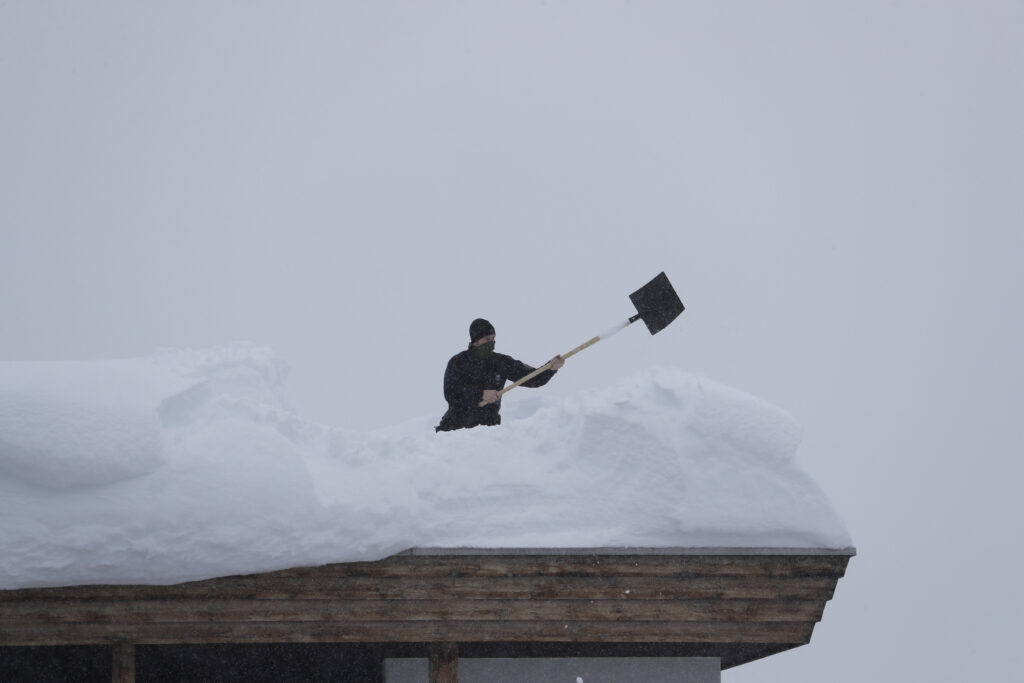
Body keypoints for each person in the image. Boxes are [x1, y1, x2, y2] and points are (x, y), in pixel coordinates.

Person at [435, 318, 565, 432]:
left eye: (493, 338)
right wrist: (481, 394)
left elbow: (533, 378)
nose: (491, 342)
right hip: (455, 430)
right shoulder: (458, 362)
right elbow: (451, 394)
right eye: (487, 339)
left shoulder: (501, 362)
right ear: (476, 341)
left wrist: (550, 368)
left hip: (488, 432)